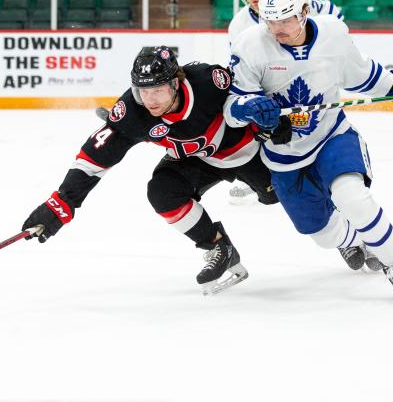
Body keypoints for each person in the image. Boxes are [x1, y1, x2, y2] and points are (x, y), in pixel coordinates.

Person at [224, 0, 393, 295]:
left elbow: (363, 75)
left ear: (305, 10)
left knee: (351, 196)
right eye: (271, 21)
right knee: (321, 234)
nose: (277, 29)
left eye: (285, 19)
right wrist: (251, 108)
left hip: (330, 136)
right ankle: (355, 239)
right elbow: (232, 105)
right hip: (282, 154)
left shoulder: (333, 35)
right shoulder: (250, 44)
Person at [22, 46, 279, 295]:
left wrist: (275, 123)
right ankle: (218, 246)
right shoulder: (133, 112)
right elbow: (94, 158)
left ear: (175, 84)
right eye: (142, 91)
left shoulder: (207, 80)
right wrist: (61, 203)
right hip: (195, 159)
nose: (150, 100)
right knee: (162, 192)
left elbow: (255, 95)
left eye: (157, 90)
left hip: (244, 153)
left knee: (274, 196)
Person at [227, 0, 343, 205]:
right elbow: (241, 69)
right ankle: (261, 176)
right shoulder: (239, 25)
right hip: (270, 85)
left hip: (307, 81)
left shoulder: (299, 3)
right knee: (266, 129)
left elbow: (334, 15)